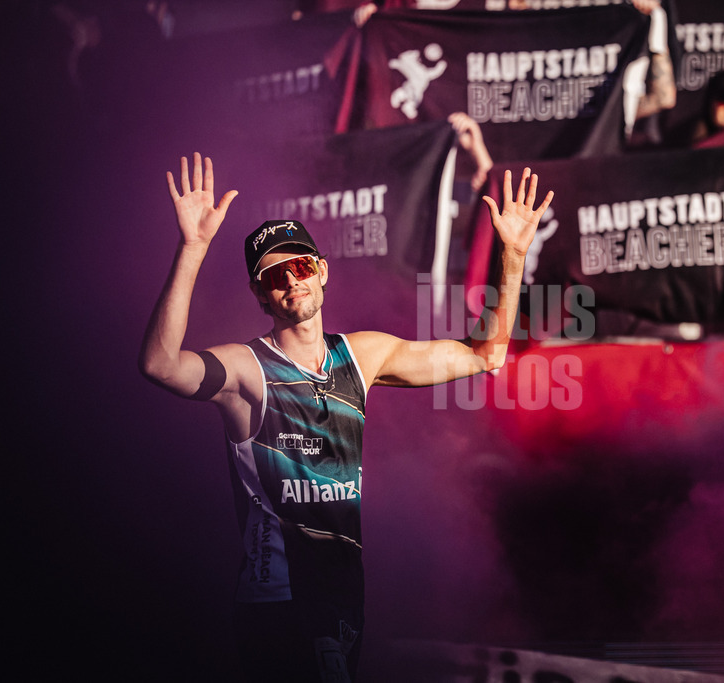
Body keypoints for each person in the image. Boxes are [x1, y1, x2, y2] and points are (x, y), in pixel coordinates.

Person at [139, 152, 553, 682]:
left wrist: (513, 254)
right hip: (280, 602)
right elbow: (159, 365)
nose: (293, 281)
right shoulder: (249, 369)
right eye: (275, 275)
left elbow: (486, 355)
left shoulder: (362, 355)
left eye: (302, 265)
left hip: (343, 599)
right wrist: (193, 247)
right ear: (260, 294)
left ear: (322, 271)